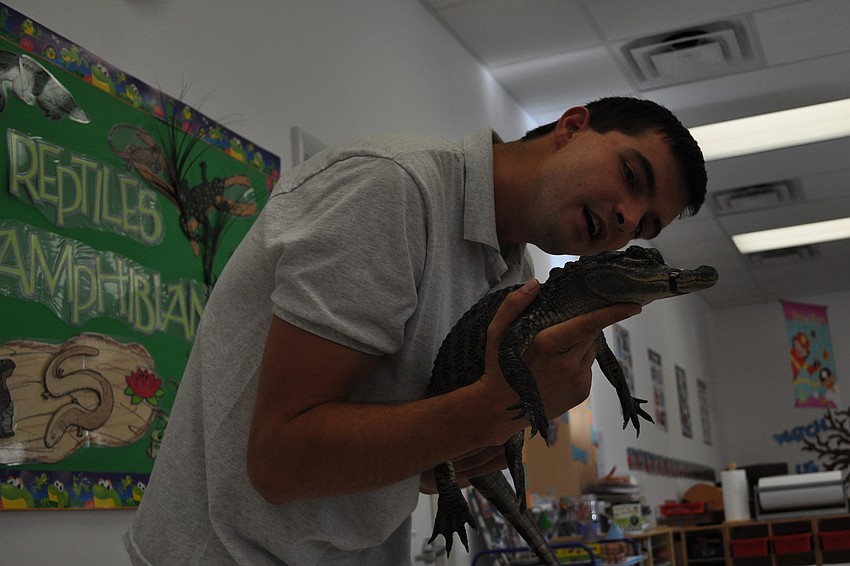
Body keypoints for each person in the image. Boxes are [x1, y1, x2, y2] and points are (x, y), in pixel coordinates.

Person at [124, 96, 706, 565]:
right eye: (630, 175)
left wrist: (461, 444)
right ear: (573, 126)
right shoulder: (393, 189)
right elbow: (280, 462)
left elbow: (413, 463)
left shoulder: (515, 275)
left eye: (645, 226)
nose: (628, 219)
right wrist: (486, 410)